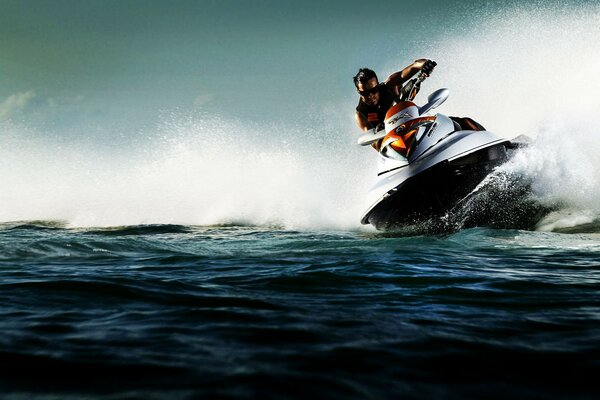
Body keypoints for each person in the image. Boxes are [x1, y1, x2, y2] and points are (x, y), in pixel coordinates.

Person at [353, 59, 436, 132]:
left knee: (410, 87)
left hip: (410, 117)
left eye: (373, 90)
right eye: (365, 93)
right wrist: (378, 132)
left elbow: (414, 66)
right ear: (358, 92)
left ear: (378, 86)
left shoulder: (390, 85)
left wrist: (425, 65)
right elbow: (375, 144)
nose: (370, 96)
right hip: (393, 139)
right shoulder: (361, 114)